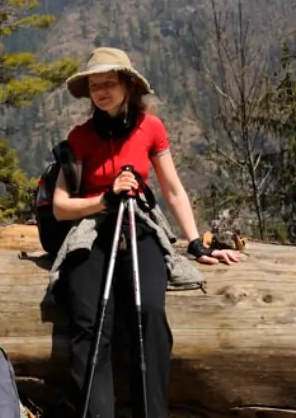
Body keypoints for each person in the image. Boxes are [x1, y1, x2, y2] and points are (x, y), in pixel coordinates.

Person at [51, 47, 242, 418]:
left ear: (128, 85)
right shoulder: (80, 137)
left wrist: (196, 243)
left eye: (109, 83)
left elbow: (172, 189)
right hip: (93, 231)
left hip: (140, 226)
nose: (101, 91)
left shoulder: (150, 127)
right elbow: (60, 206)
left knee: (150, 312)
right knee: (89, 325)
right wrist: (103, 200)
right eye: (95, 85)